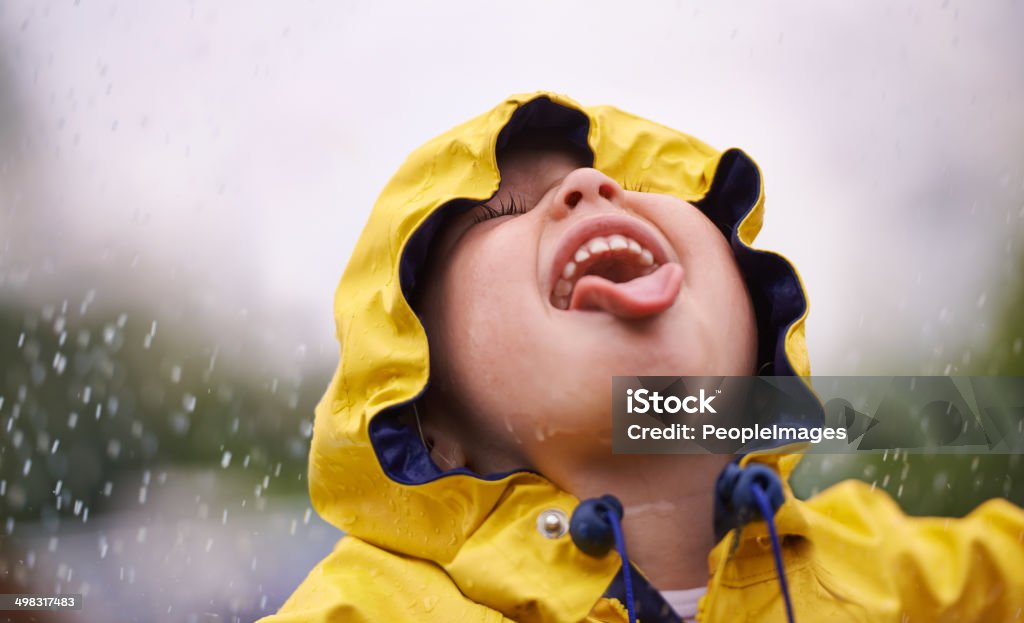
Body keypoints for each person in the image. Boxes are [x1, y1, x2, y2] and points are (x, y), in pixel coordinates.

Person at [259, 92, 1024, 622]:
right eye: (505, 211)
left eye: (642, 187)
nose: (592, 187)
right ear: (425, 420)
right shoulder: (371, 610)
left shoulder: (886, 569)